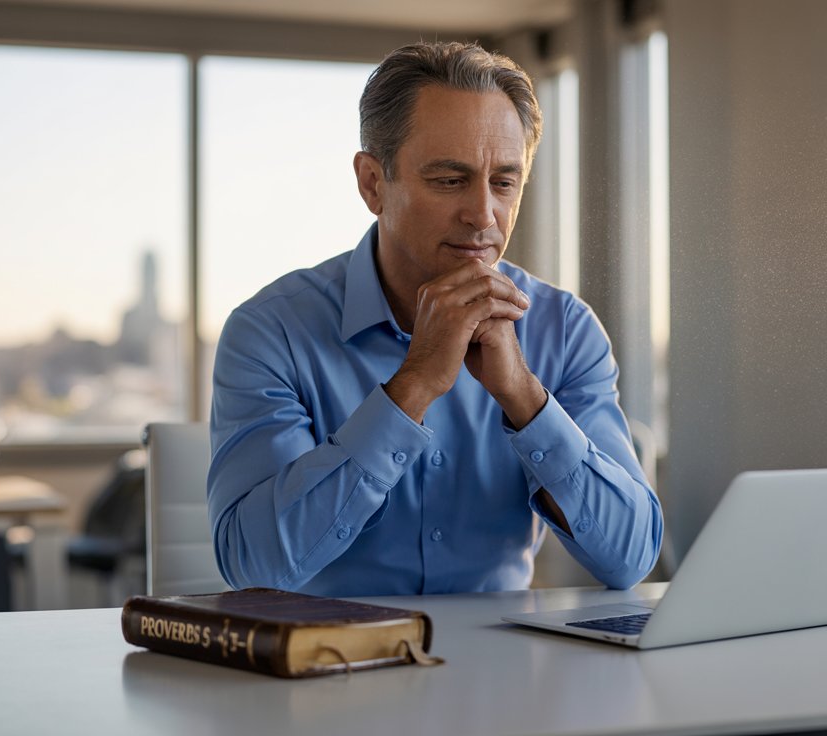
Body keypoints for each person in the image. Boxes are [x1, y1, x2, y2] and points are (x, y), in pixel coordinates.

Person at [207, 41, 662, 597]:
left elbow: (631, 558)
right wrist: (413, 386)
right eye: (450, 181)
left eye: (504, 182)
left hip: (503, 671)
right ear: (373, 184)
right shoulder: (271, 333)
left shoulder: (564, 330)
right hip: (323, 668)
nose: (482, 215)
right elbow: (253, 566)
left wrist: (523, 396)